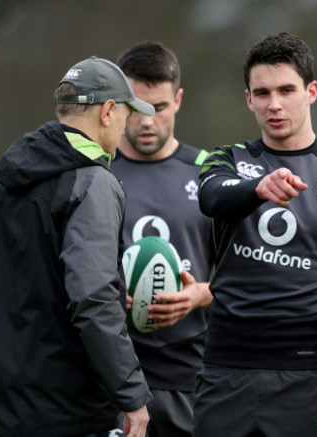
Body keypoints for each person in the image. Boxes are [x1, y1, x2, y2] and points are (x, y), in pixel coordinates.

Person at [194, 32, 317, 437]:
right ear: (248, 99)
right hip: (224, 375)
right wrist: (258, 187)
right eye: (262, 93)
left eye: (286, 90)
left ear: (311, 91)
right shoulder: (226, 160)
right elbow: (211, 198)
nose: (274, 104)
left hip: (310, 379)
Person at [0, 56, 155, 437]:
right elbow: (94, 296)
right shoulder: (93, 182)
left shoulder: (8, 171)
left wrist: (15, 340)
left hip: (3, 405)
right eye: (127, 116)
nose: (128, 128)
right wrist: (131, 394)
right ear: (108, 111)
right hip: (71, 410)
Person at [112, 41, 214, 437]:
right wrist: (103, 293)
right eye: (136, 109)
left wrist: (202, 293)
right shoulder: (93, 174)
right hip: (112, 378)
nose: (148, 121)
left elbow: (249, 274)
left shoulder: (211, 174)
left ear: (179, 100)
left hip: (191, 377)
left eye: (160, 108)